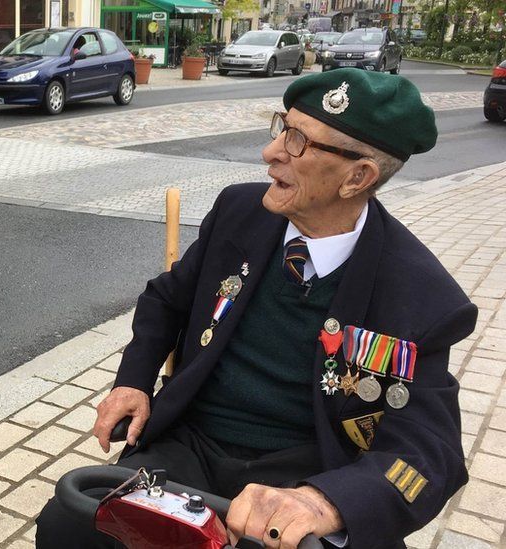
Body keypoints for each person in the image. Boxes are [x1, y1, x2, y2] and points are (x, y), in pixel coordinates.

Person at [37, 69, 477, 549]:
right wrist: (133, 379)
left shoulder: (423, 295)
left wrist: (324, 502)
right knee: (69, 524)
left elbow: (430, 452)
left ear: (358, 176)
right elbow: (167, 298)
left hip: (309, 472)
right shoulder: (239, 211)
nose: (270, 154)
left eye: (298, 143)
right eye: (281, 128)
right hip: (191, 446)